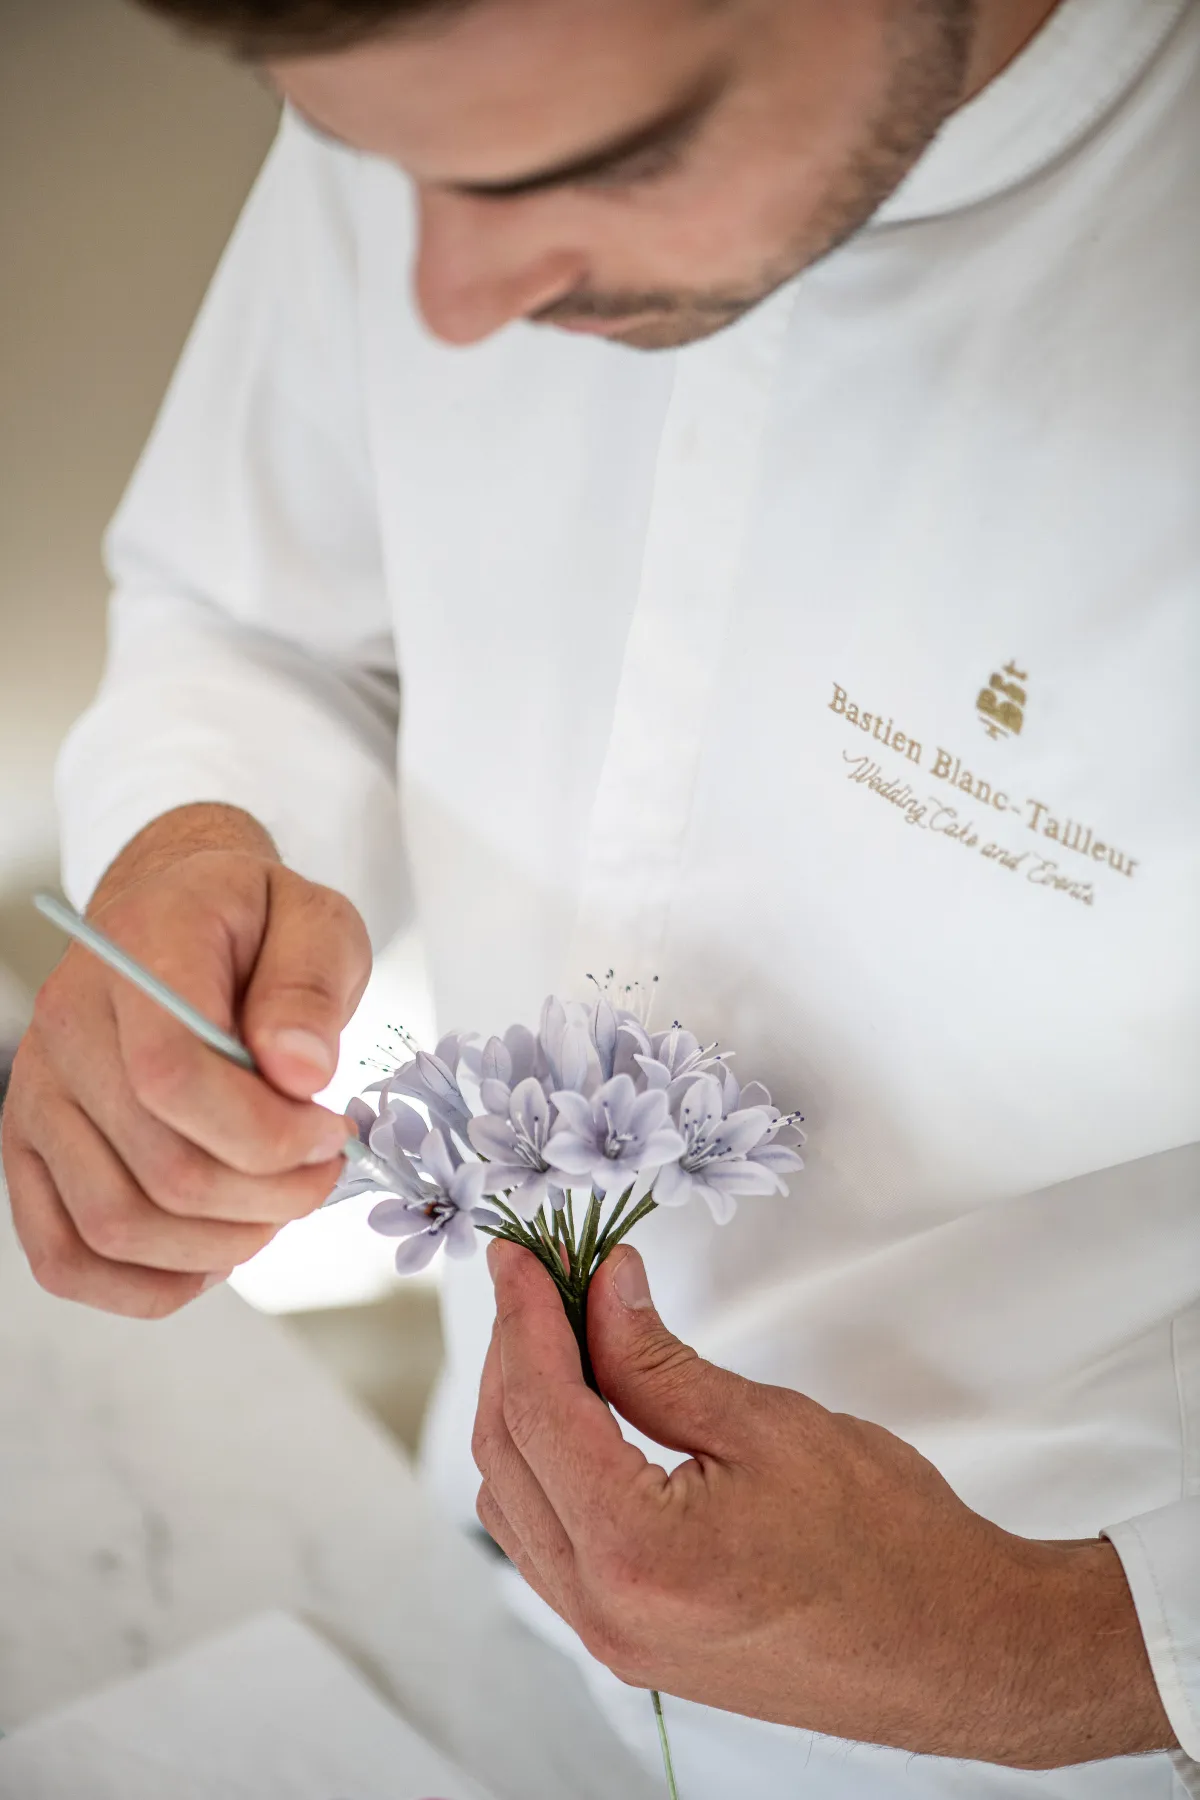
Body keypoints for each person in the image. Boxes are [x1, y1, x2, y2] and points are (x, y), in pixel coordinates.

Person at [2, 0, 1197, 1792]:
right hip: (457, 1593)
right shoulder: (473, 73)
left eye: (605, 166)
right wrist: (194, 829)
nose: (449, 304)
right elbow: (258, 612)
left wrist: (1077, 1649)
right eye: (375, 162)